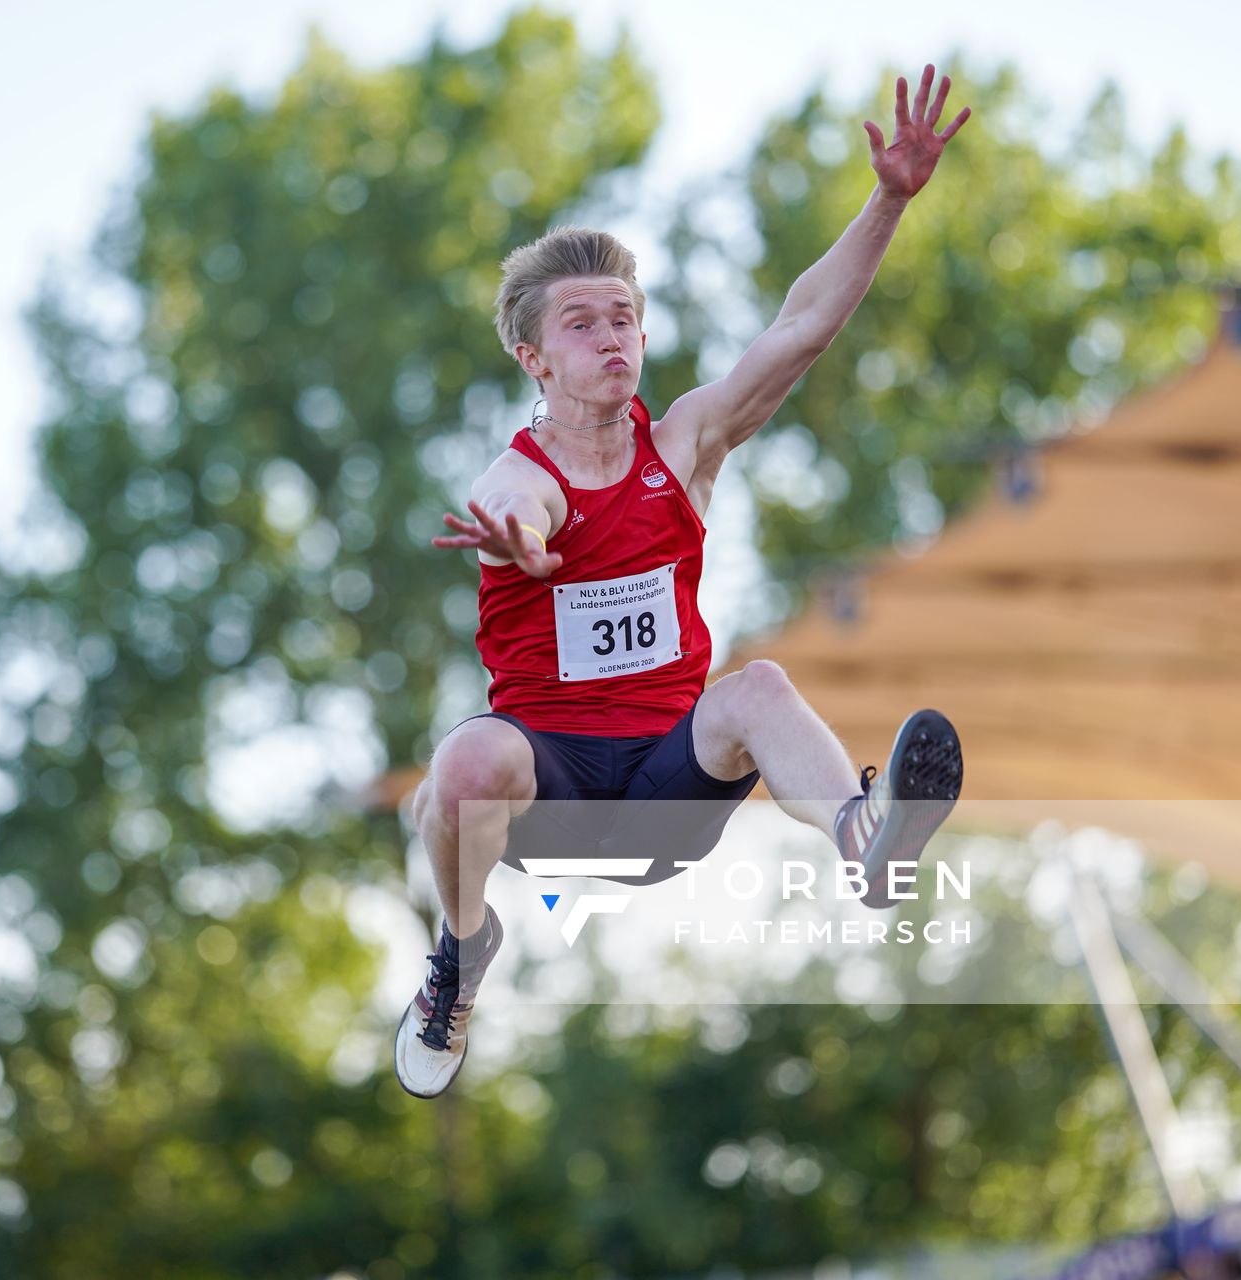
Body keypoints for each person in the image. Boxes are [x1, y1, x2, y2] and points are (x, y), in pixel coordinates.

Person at [396, 66, 972, 1099]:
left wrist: (890, 198)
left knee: (758, 687)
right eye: (582, 323)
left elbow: (800, 330)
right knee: (468, 755)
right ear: (535, 356)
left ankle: (866, 842)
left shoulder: (688, 445)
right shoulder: (517, 480)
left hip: (670, 790)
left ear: (644, 335)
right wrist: (522, 548)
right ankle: (461, 952)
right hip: (555, 807)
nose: (611, 335)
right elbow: (520, 513)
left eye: (623, 316)